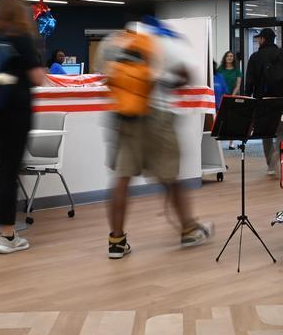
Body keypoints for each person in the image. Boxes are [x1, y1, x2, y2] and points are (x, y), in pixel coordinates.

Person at [104, 16, 213, 259]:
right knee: (170, 177)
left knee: (122, 178)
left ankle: (116, 241)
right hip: (159, 115)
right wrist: (164, 80)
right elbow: (187, 76)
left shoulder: (116, 41)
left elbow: (108, 77)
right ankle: (189, 229)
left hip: (126, 116)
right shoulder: (167, 41)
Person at [0, 0, 45, 255]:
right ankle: (7, 236)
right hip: (13, 113)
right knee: (8, 171)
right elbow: (38, 78)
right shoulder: (22, 38)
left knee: (5, 169)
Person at [244, 28, 283, 175]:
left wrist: (248, 99)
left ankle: (271, 165)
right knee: (281, 129)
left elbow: (249, 81)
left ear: (263, 39)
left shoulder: (255, 57)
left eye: (259, 38)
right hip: (281, 99)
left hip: (263, 100)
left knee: (265, 131)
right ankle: (281, 157)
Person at [215, 51, 243, 148]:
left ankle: (231, 142)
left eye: (231, 56)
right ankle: (218, 140)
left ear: (233, 58)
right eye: (228, 56)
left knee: (232, 119)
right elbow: (216, 81)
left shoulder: (237, 70)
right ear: (225, 57)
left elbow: (238, 85)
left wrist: (231, 96)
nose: (229, 57)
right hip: (221, 97)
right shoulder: (220, 69)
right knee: (220, 118)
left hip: (233, 97)